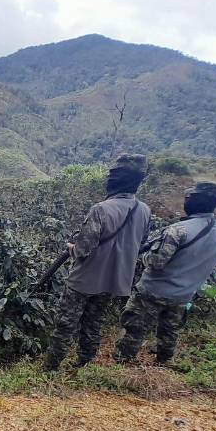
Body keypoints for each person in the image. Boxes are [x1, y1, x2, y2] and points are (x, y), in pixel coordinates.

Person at [44, 154, 151, 370]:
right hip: (115, 281)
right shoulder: (144, 210)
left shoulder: (101, 209)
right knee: (94, 322)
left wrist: (71, 247)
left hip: (85, 280)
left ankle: (51, 367)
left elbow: (83, 249)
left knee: (66, 323)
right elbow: (141, 244)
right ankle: (84, 363)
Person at [113, 182, 216, 364]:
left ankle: (123, 361)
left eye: (188, 198)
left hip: (153, 291)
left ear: (195, 201)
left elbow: (156, 262)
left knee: (134, 328)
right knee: (169, 332)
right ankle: (164, 362)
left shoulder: (179, 230)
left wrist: (140, 254)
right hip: (184, 295)